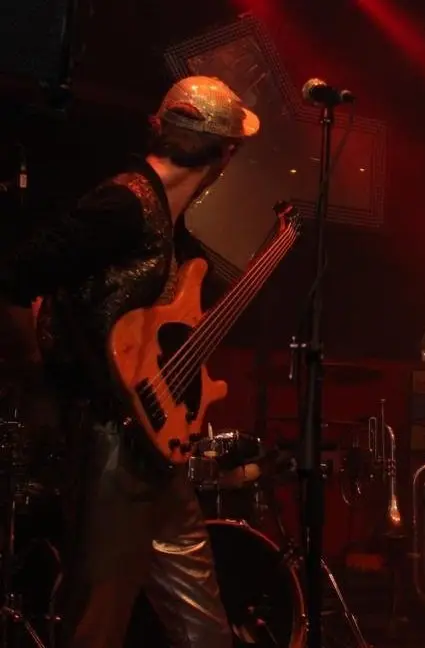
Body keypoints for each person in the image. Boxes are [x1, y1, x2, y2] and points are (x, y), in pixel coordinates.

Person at [0, 75, 260, 648]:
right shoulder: (122, 205)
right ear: (224, 156)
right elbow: (13, 279)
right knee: (97, 622)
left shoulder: (168, 222)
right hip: (108, 442)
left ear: (157, 127)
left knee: (204, 626)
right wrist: (41, 376)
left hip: (154, 446)